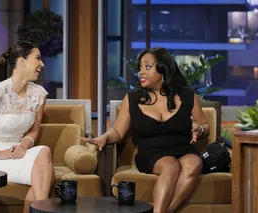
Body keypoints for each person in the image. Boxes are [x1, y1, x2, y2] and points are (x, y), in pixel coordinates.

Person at [81, 47, 210, 213]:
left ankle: (165, 211)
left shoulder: (187, 95)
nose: (141, 72)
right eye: (140, 68)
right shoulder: (133, 98)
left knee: (194, 163)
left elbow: (205, 126)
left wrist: (199, 129)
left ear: (163, 69)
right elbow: (118, 132)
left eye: (147, 67)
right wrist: (104, 137)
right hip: (152, 153)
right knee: (170, 165)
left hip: (183, 149)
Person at [0, 41, 54, 213]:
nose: (42, 64)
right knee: (45, 176)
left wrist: (24, 145)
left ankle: (41, 210)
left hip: (17, 150)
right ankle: (44, 210)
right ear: (22, 62)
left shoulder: (39, 94)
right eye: (37, 59)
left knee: (44, 153)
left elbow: (34, 130)